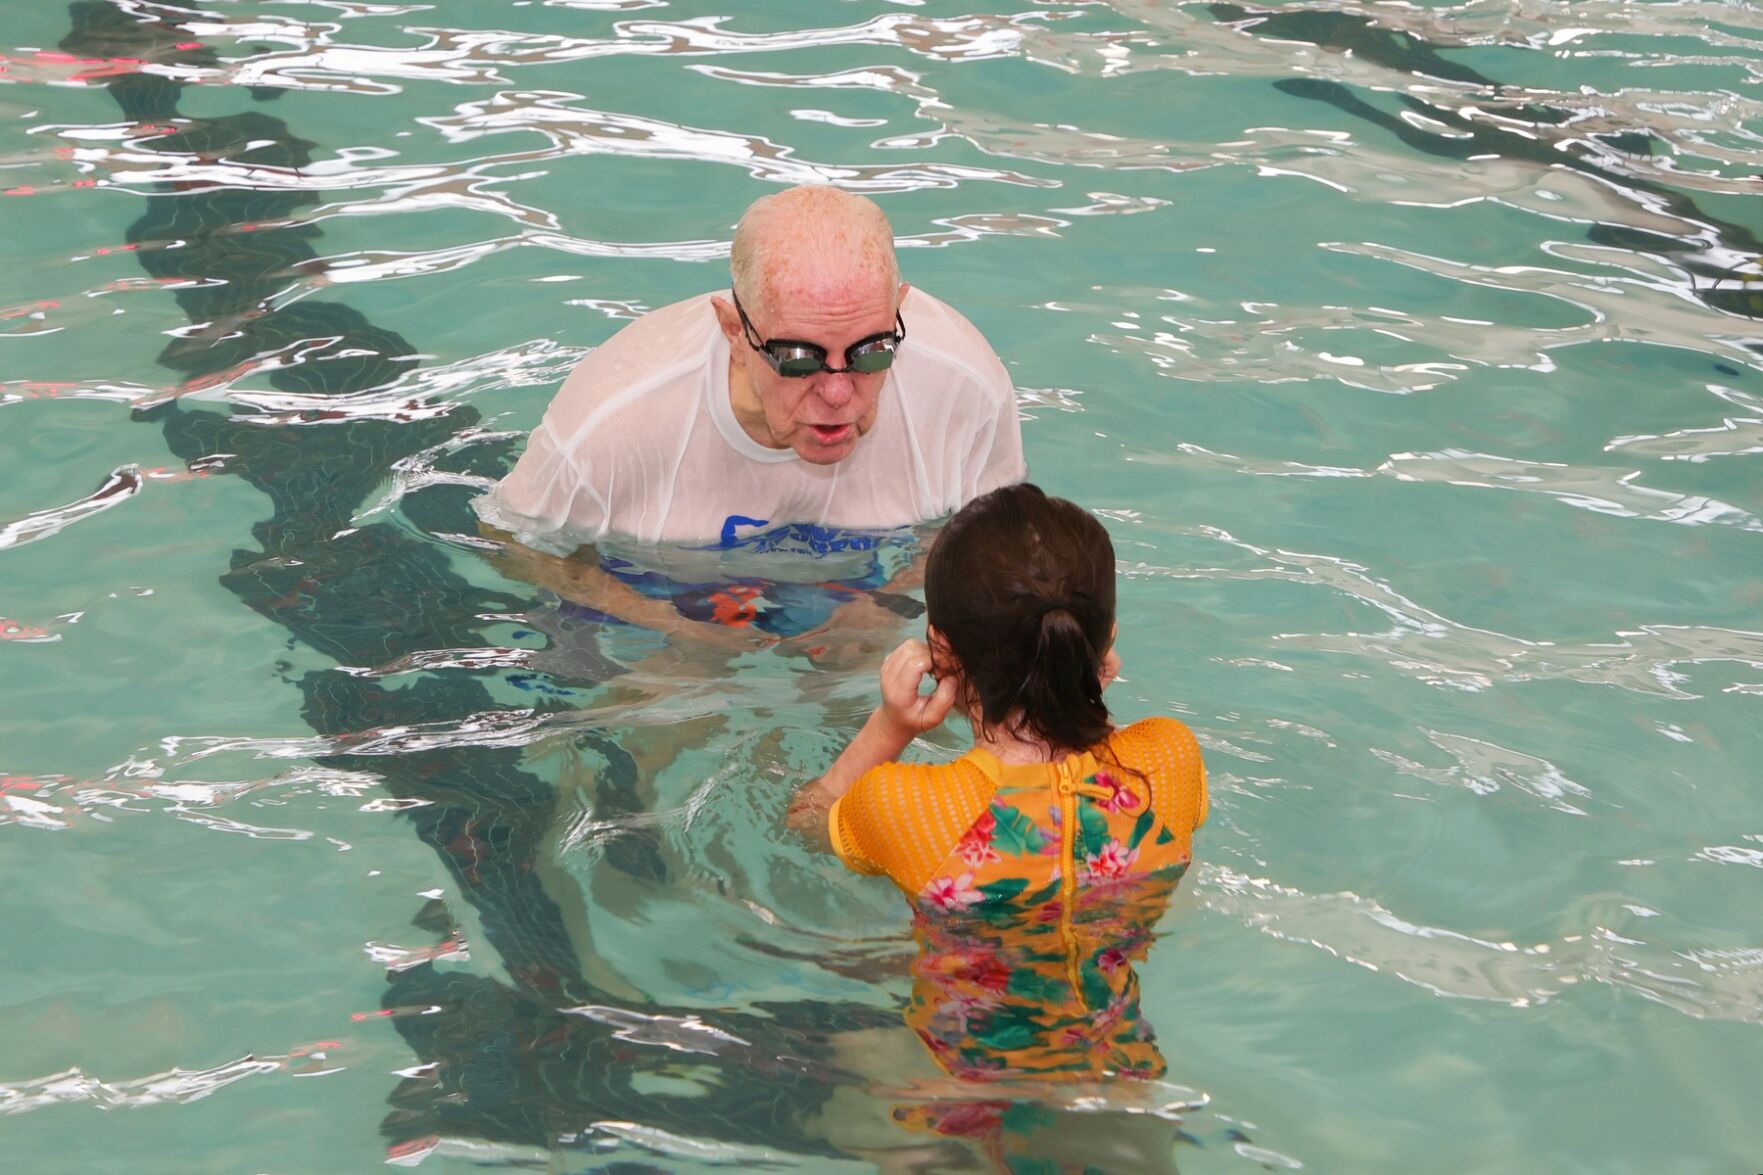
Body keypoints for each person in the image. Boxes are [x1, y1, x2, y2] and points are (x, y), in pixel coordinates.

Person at [477, 184, 1025, 650]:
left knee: (866, 672)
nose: (838, 393)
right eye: (798, 359)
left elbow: (990, 535)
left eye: (872, 352)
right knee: (671, 694)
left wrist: (890, 599)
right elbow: (512, 541)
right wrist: (671, 625)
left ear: (899, 311)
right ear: (733, 331)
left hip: (855, 577)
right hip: (653, 580)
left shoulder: (965, 388)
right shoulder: (615, 424)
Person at [790, 483, 1207, 1093]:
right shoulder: (1170, 759)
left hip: (959, 1095)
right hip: (1124, 1078)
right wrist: (1077, 691)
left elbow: (805, 820)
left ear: (940, 650)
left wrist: (890, 726)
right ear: (1106, 644)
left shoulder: (907, 805)